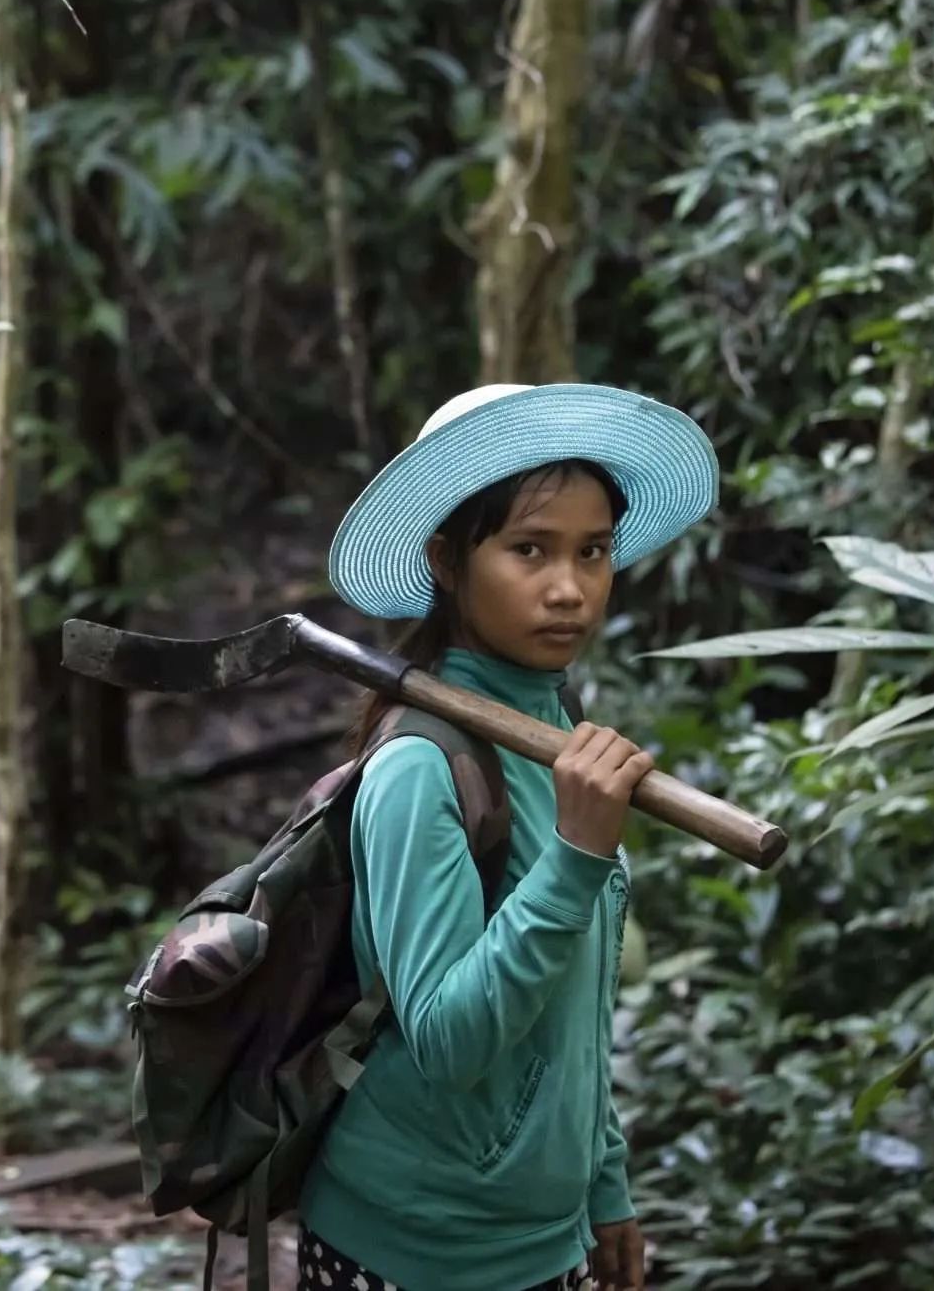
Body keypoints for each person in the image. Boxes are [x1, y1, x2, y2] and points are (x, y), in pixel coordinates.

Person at [295, 382, 720, 1291]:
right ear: (447, 561)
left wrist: (603, 1185)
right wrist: (574, 859)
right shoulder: (420, 769)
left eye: (592, 551)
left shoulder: (558, 730)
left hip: (544, 1239)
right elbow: (448, 1040)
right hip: (416, 1249)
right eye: (529, 550)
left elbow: (577, 1009)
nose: (569, 588)